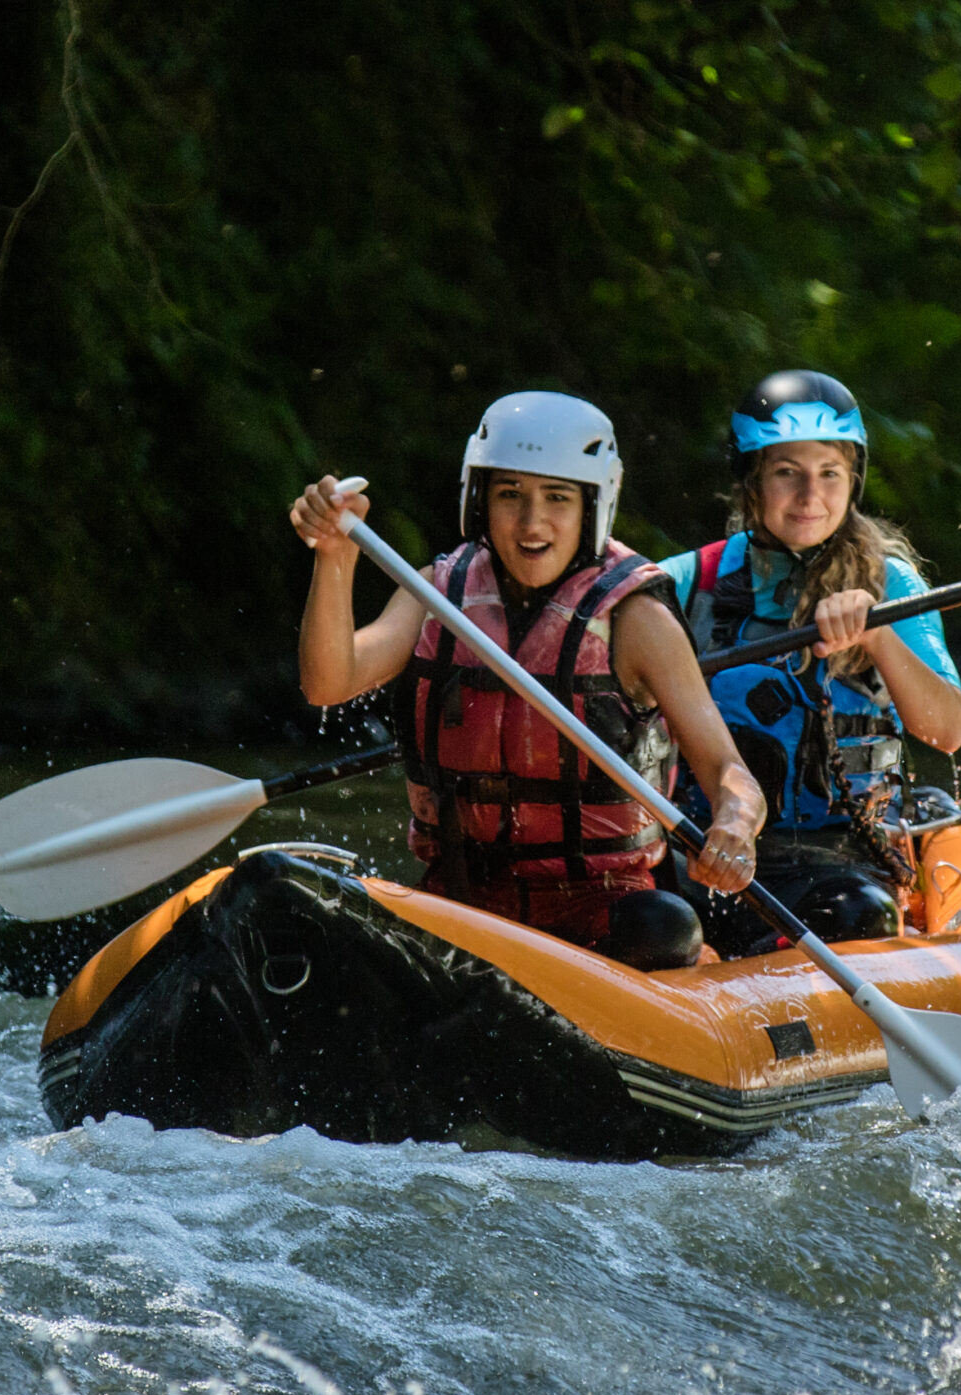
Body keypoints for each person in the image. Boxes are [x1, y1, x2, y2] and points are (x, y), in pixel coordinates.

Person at [292, 391, 765, 969]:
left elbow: (727, 772)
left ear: (594, 505)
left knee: (664, 925)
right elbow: (327, 683)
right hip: (462, 900)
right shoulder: (436, 593)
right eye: (510, 493)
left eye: (557, 498)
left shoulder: (637, 621)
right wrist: (334, 557)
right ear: (479, 500)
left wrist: (734, 826)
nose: (531, 521)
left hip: (600, 907)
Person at [656, 370, 961, 954]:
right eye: (786, 473)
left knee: (857, 915)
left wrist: (877, 637)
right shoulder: (688, 582)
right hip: (707, 852)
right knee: (650, 922)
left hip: (843, 860)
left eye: (829, 474)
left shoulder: (891, 583)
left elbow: (946, 730)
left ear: (853, 480)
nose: (810, 496)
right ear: (751, 481)